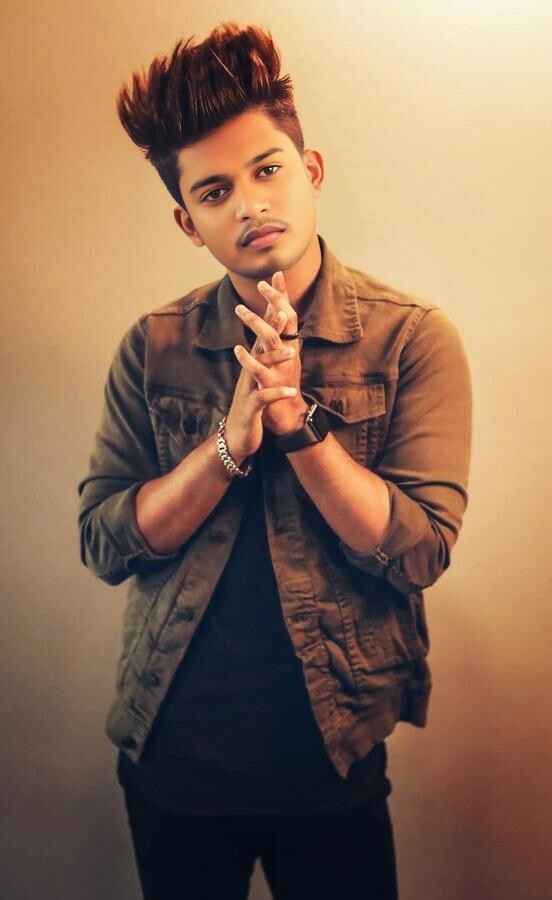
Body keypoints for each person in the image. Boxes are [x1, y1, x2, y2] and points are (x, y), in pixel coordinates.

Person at [78, 22, 471, 900]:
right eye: (216, 191)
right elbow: (104, 542)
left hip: (332, 759)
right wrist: (230, 442)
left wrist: (295, 425)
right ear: (188, 222)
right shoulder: (154, 346)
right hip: (173, 755)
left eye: (268, 170)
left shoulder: (412, 340)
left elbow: (419, 552)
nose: (251, 205)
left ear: (311, 170)